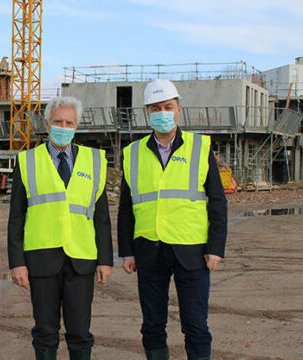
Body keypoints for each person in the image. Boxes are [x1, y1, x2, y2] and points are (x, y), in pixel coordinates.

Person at [118, 79, 227, 360]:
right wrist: (126, 251)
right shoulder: (132, 153)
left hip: (192, 250)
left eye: (168, 107)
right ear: (147, 113)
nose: (163, 113)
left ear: (178, 110)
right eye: (156, 108)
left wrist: (216, 247)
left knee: (196, 325)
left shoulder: (200, 147)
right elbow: (126, 208)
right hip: (149, 250)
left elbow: (217, 201)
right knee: (152, 325)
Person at [8, 96, 113, 360]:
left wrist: (105, 260)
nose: (63, 127)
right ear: (47, 124)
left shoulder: (95, 161)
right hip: (42, 259)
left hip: (81, 259)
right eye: (58, 122)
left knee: (80, 332)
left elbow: (101, 218)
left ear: (76, 126)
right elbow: (16, 217)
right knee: (45, 331)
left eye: (69, 122)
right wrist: (16, 263)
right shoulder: (27, 161)